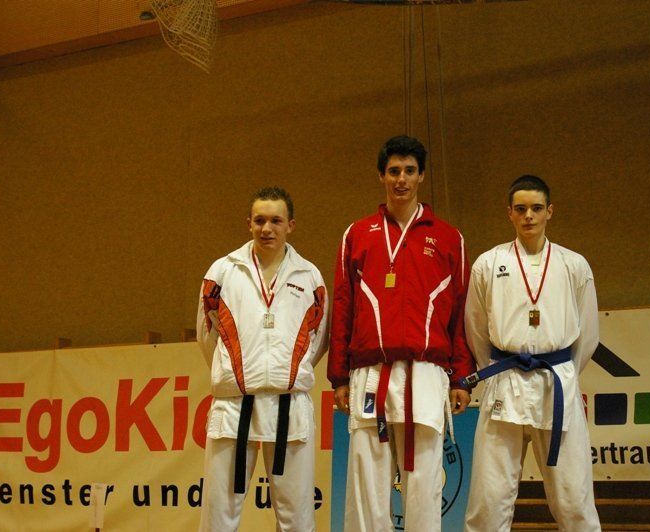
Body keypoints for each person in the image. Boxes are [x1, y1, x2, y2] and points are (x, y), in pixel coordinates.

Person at [328, 135, 475, 531]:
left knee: (424, 483)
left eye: (410, 171)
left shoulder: (449, 238)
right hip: (370, 373)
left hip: (425, 372)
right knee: (367, 487)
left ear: (421, 176)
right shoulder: (358, 234)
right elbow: (343, 306)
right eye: (394, 171)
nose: (401, 180)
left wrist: (461, 377)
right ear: (381, 176)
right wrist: (339, 377)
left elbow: (460, 312)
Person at [463, 175, 601, 532]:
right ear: (509, 213)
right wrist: (494, 366)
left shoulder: (574, 265)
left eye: (536, 208)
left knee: (574, 499)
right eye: (521, 209)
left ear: (549, 211)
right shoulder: (488, 263)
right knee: (489, 499)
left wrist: (565, 371)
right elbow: (475, 327)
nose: (529, 216)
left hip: (556, 383)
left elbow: (587, 334)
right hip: (504, 380)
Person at [196, 186, 328, 532]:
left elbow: (318, 340)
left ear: (291, 225)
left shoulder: (309, 277)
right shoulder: (223, 272)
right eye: (259, 221)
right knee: (218, 515)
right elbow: (206, 335)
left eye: (276, 221)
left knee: (297, 518)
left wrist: (287, 373)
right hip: (233, 405)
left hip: (289, 406)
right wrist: (235, 374)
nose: (267, 228)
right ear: (249, 224)